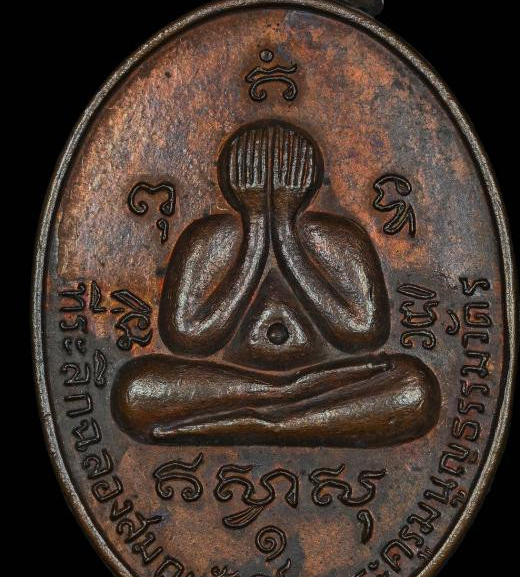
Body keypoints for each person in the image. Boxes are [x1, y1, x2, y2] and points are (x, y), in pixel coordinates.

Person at [112, 121, 440, 446]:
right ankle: (281, 406)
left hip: (329, 378)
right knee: (135, 390)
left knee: (415, 390)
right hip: (236, 385)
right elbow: (188, 338)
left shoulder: (337, 236)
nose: (270, 181)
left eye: (288, 170)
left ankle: (264, 423)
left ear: (309, 179)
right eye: (252, 170)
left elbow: (363, 333)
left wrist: (284, 233)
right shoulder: (209, 237)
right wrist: (256, 232)